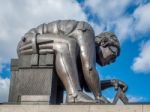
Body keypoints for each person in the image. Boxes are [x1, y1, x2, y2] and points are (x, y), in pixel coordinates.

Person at [17, 20, 124, 103]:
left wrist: (111, 82)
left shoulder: (80, 58)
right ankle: (74, 95)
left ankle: (75, 94)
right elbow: (90, 69)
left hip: (40, 44)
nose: (111, 62)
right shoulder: (86, 31)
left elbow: (88, 86)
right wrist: (99, 96)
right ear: (104, 42)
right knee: (67, 44)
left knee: (69, 47)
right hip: (29, 41)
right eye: (113, 55)